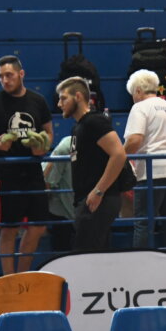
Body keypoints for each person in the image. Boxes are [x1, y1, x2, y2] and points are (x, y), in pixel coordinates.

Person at [0, 55, 53, 275]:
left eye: (9, 75)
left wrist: (42, 147)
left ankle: (23, 275)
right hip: (6, 174)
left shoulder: (38, 101)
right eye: (1, 76)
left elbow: (49, 132)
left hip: (33, 172)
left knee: (38, 226)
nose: (5, 80)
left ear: (21, 74)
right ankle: (9, 279)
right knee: (9, 229)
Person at [56, 77, 127, 251]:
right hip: (88, 200)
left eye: (63, 98)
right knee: (92, 255)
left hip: (99, 200)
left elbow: (119, 154)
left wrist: (98, 191)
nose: (59, 104)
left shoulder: (94, 121)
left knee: (86, 255)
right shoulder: (78, 127)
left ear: (78, 96)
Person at [123, 69, 166, 251]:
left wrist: (120, 158)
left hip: (154, 172)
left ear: (138, 91)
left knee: (144, 223)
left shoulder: (139, 107)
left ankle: (142, 264)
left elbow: (134, 140)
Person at [42, 135, 75, 253]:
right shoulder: (68, 146)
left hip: (84, 210)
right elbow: (47, 182)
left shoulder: (105, 146)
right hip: (62, 210)